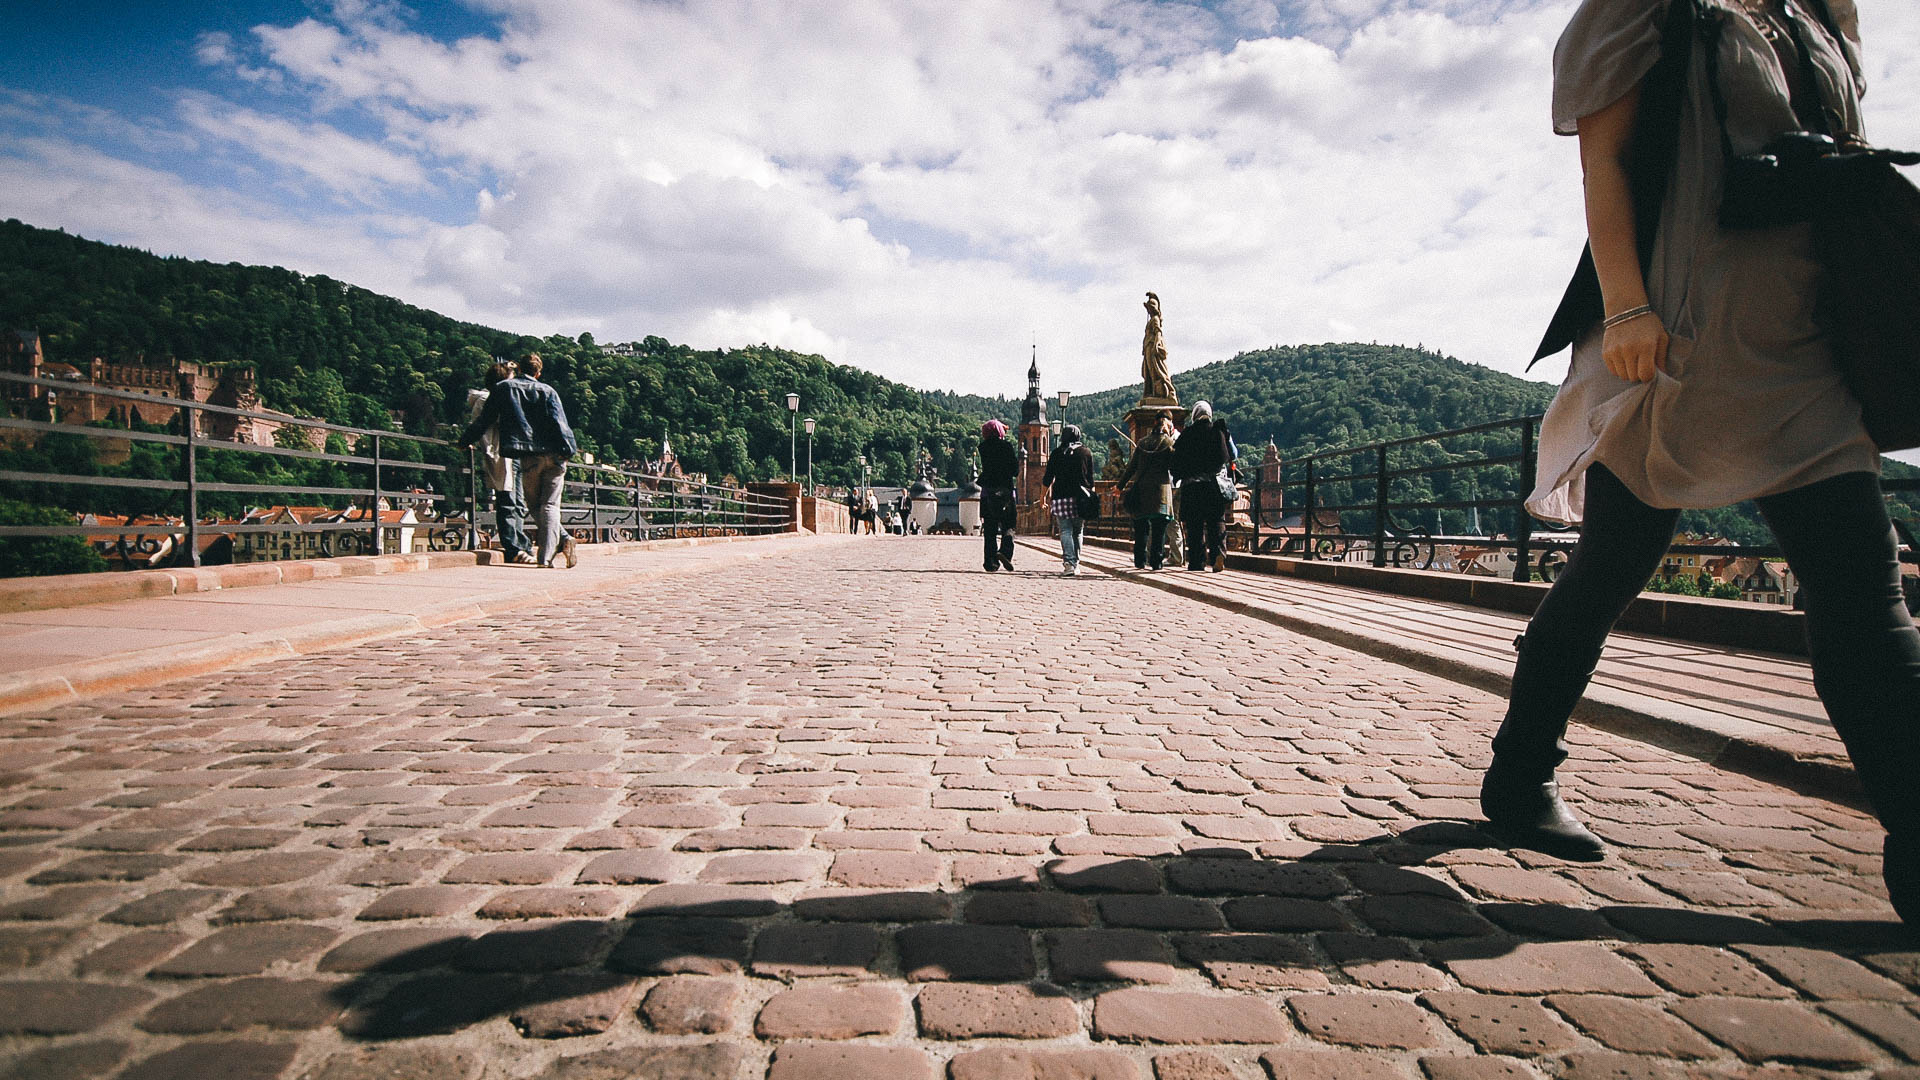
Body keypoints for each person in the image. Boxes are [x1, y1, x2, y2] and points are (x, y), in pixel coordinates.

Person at [1487, 0, 1920, 924]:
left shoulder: (1823, 11)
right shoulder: (1648, 7)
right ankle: (1521, 772)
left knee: (1868, 605)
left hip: (1803, 345)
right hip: (1677, 345)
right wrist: (1629, 307)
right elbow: (1604, 161)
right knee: (1607, 573)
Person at [461, 352, 578, 569]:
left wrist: (464, 441)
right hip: (555, 454)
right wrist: (569, 450)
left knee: (534, 505)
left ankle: (555, 547)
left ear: (521, 369)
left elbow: (483, 421)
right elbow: (560, 423)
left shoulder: (505, 388)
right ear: (539, 372)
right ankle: (548, 555)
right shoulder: (549, 391)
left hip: (529, 455)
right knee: (551, 505)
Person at [464, 360, 534, 564]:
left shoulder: (499, 397)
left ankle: (521, 545)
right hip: (502, 453)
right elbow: (484, 424)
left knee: (518, 503)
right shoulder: (488, 400)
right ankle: (514, 548)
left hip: (514, 453)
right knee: (508, 501)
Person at [1171, 401, 1231, 572]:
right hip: (1214, 485)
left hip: (1193, 487)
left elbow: (1175, 462)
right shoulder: (1217, 431)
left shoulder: (1187, 434)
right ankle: (1218, 553)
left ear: (1194, 415)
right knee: (1216, 521)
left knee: (1194, 524)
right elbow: (1228, 455)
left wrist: (1180, 476)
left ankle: (1197, 562)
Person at [1117, 416, 1176, 570]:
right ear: (1167, 428)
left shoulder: (1142, 443)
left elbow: (1131, 468)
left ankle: (1140, 560)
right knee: (1159, 529)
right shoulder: (1169, 443)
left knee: (1141, 528)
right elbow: (1175, 467)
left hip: (1142, 491)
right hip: (1161, 492)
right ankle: (1156, 562)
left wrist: (1119, 486)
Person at [1041, 424, 1095, 576]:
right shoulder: (1086, 453)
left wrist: (1042, 497)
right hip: (1081, 498)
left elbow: (1047, 478)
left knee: (1065, 530)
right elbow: (1091, 480)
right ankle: (1075, 563)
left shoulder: (1057, 453)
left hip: (1060, 497)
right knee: (1078, 531)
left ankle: (1069, 563)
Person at [978, 419, 1018, 571]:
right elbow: (1015, 470)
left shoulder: (982, 447)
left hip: (988, 493)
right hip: (1006, 492)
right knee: (1009, 524)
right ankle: (1005, 552)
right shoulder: (1006, 446)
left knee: (990, 529)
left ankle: (991, 563)